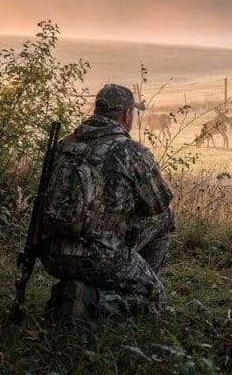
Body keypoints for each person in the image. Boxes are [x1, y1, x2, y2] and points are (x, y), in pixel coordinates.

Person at [40, 84, 174, 318]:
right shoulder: (130, 150)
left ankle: (82, 290)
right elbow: (158, 204)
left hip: (52, 255)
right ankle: (91, 300)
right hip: (100, 259)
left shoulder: (63, 145)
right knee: (155, 299)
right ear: (126, 115)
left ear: (96, 111)